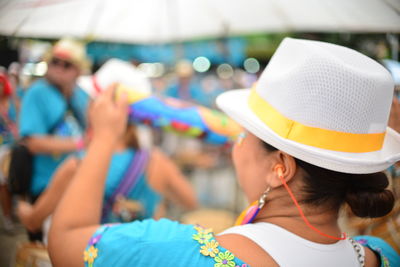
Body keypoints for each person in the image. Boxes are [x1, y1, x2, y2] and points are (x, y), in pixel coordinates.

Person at [48, 38, 400, 266]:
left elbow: (64, 242)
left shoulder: (175, 252)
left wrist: (103, 140)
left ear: (280, 168)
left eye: (245, 133)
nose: (236, 143)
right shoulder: (379, 255)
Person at [17, 120, 198, 232]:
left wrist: (21, 208)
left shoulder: (77, 165)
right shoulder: (157, 160)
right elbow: (190, 201)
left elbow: (34, 222)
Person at [19, 38, 90, 201]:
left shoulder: (81, 94)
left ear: (79, 70)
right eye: (55, 62)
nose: (59, 68)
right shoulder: (37, 92)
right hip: (47, 187)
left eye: (67, 64)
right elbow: (33, 143)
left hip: (77, 183)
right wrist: (81, 143)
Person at [0, 73, 18, 231]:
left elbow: (19, 119)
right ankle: (7, 217)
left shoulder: (12, 101)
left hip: (13, 147)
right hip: (1, 149)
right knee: (3, 185)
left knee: (14, 182)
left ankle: (13, 213)